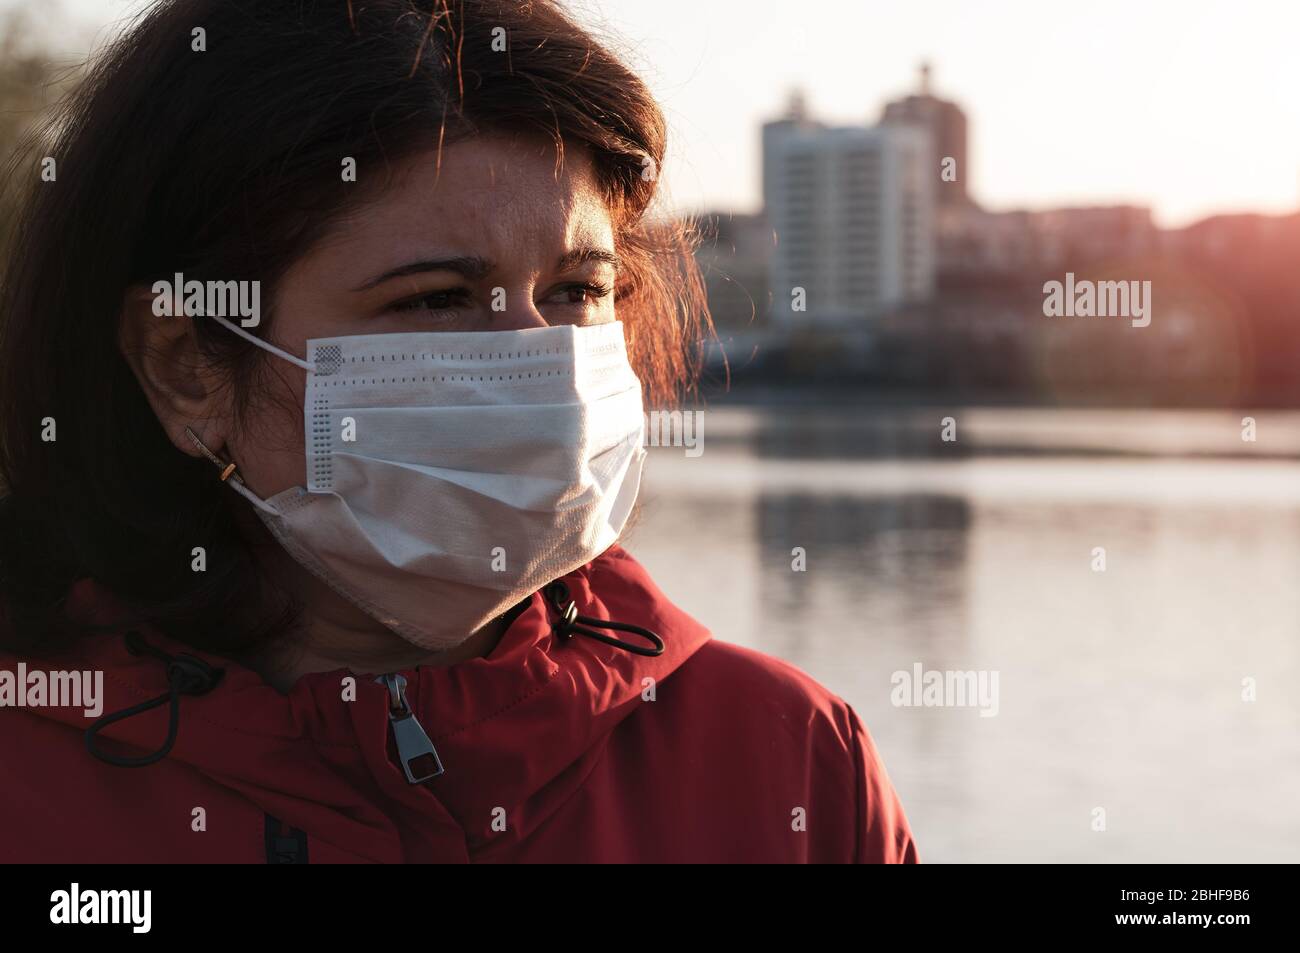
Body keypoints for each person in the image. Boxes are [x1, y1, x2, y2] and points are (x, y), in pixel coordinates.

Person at [0, 0, 917, 863]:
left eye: (575, 291)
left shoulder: (788, 765)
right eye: (435, 299)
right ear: (185, 367)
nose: (539, 363)